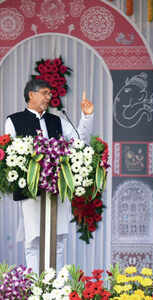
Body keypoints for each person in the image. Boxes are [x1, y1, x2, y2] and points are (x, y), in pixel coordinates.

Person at [4, 78, 94, 273]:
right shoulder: (13, 120)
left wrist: (86, 117)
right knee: (33, 240)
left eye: (50, 93)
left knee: (58, 240)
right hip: (31, 190)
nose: (49, 97)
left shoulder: (57, 121)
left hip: (57, 189)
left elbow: (80, 142)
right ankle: (36, 287)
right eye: (45, 93)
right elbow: (10, 153)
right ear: (31, 95)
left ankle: (56, 288)